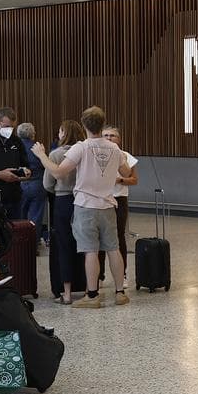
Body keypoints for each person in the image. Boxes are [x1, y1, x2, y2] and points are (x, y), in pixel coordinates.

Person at [32, 107, 132, 308]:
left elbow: (59, 173)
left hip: (86, 205)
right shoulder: (114, 149)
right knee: (113, 249)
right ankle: (120, 292)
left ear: (84, 124)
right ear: (102, 124)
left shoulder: (82, 147)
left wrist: (42, 156)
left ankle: (92, 296)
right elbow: (126, 171)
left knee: (90, 251)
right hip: (108, 204)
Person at [43, 120, 87, 304]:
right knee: (86, 245)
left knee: (64, 244)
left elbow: (47, 184)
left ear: (64, 133)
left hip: (62, 200)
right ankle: (88, 288)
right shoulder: (86, 152)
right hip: (84, 200)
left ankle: (66, 292)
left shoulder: (56, 154)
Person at [96, 125, 138, 285]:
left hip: (119, 198)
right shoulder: (97, 154)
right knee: (99, 237)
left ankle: (123, 274)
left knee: (119, 236)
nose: (108, 138)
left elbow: (134, 179)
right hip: (101, 198)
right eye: (105, 135)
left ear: (118, 139)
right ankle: (99, 276)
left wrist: (119, 180)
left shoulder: (125, 156)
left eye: (112, 135)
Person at [16, 123, 47, 245]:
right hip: (37, 184)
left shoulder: (15, 147)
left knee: (19, 216)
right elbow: (45, 164)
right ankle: (33, 245)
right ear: (32, 134)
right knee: (36, 216)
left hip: (19, 184)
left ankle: (19, 244)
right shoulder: (37, 148)